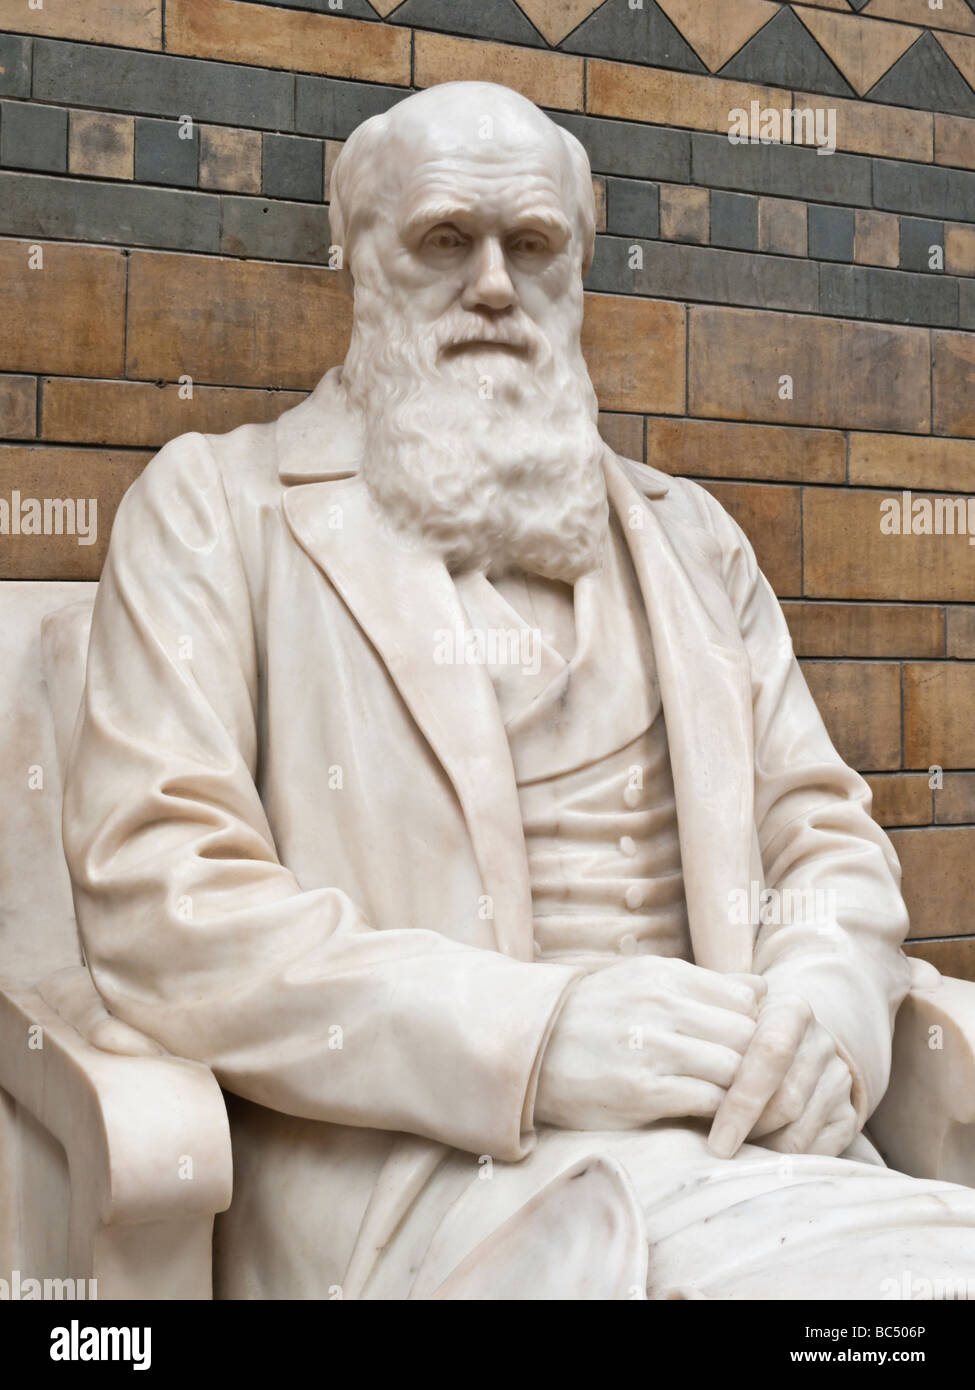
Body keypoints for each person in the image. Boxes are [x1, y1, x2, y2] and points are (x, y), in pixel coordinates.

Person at [63, 82, 975, 1300]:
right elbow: (162, 899)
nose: (493, 283)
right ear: (361, 260)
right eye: (446, 238)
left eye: (533, 245)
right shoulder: (217, 512)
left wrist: (821, 1020)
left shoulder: (692, 540)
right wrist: (536, 1040)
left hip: (756, 1140)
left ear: (579, 271)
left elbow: (824, 839)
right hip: (430, 1166)